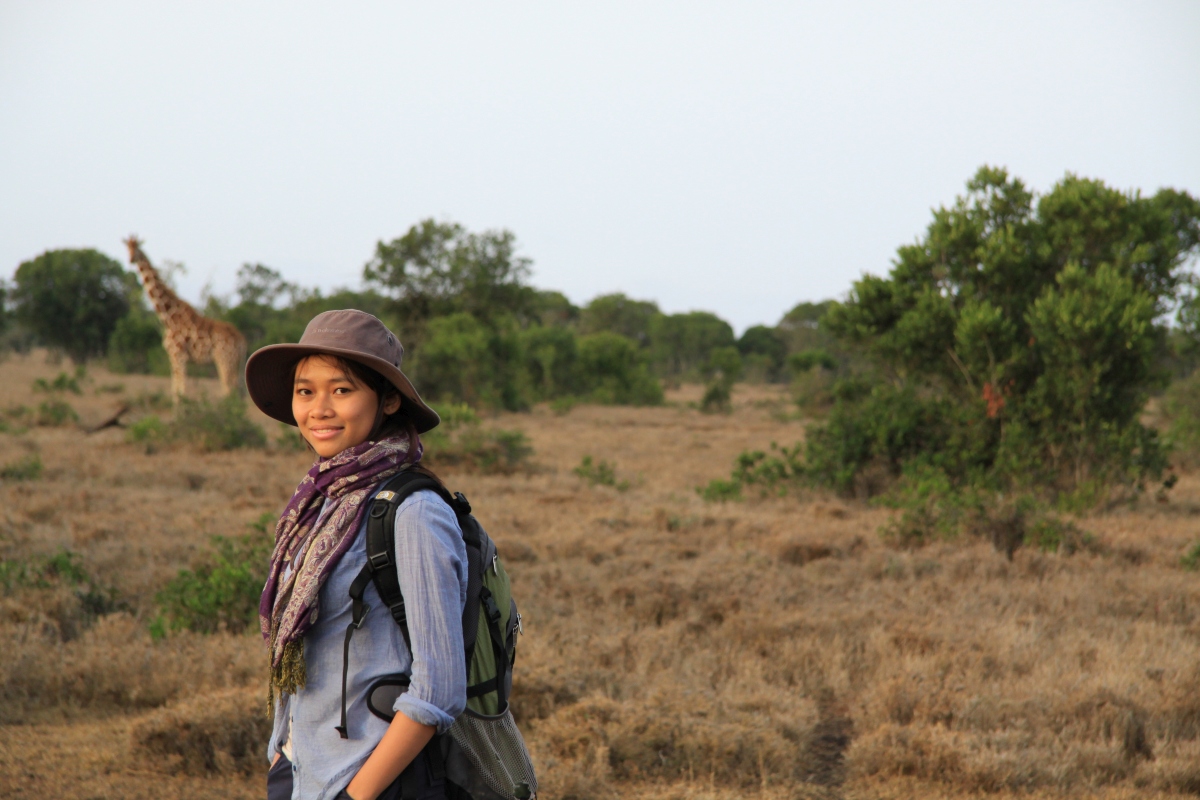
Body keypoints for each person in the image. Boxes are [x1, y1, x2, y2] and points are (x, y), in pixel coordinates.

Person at [245, 309, 467, 800]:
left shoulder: (414, 514)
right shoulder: (322, 502)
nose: (318, 408)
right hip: (304, 775)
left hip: (375, 783)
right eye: (306, 391)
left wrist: (356, 795)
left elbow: (439, 688)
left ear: (388, 400)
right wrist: (283, 756)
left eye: (341, 390)